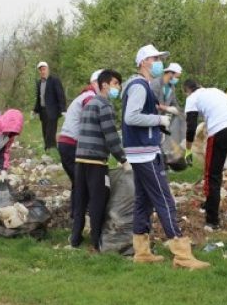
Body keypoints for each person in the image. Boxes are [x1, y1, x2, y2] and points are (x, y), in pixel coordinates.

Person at [122, 44, 209, 269]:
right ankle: (182, 255)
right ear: (143, 62)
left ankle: (141, 252)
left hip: (141, 150)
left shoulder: (140, 85)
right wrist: (158, 120)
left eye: (160, 58)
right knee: (164, 199)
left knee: (144, 200)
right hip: (144, 153)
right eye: (155, 58)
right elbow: (132, 117)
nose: (159, 61)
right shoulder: (140, 85)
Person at [69, 69, 127, 251]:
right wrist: (123, 159)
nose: (118, 87)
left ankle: (75, 239)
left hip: (80, 159)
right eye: (116, 83)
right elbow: (110, 136)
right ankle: (96, 241)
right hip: (96, 162)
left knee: (80, 200)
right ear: (105, 85)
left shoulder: (89, 104)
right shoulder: (104, 105)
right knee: (97, 201)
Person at [184, 80, 227, 229]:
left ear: (187, 90)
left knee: (212, 174)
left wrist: (188, 150)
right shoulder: (216, 90)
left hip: (220, 131)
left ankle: (212, 220)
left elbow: (191, 127)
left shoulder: (192, 98)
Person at [58, 69, 102, 215]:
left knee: (78, 181)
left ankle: (77, 213)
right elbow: (90, 120)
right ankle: (80, 214)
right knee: (81, 182)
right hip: (71, 144)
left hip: (67, 142)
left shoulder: (85, 95)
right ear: (95, 83)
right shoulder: (89, 97)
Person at [32, 61, 66, 151]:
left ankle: (51, 149)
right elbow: (39, 98)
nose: (42, 71)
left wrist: (63, 109)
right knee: (45, 130)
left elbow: (60, 94)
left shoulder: (54, 80)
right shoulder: (39, 83)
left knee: (51, 131)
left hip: (52, 110)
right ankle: (48, 148)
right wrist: (35, 110)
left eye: (44, 69)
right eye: (40, 70)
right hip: (43, 111)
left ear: (47, 69)